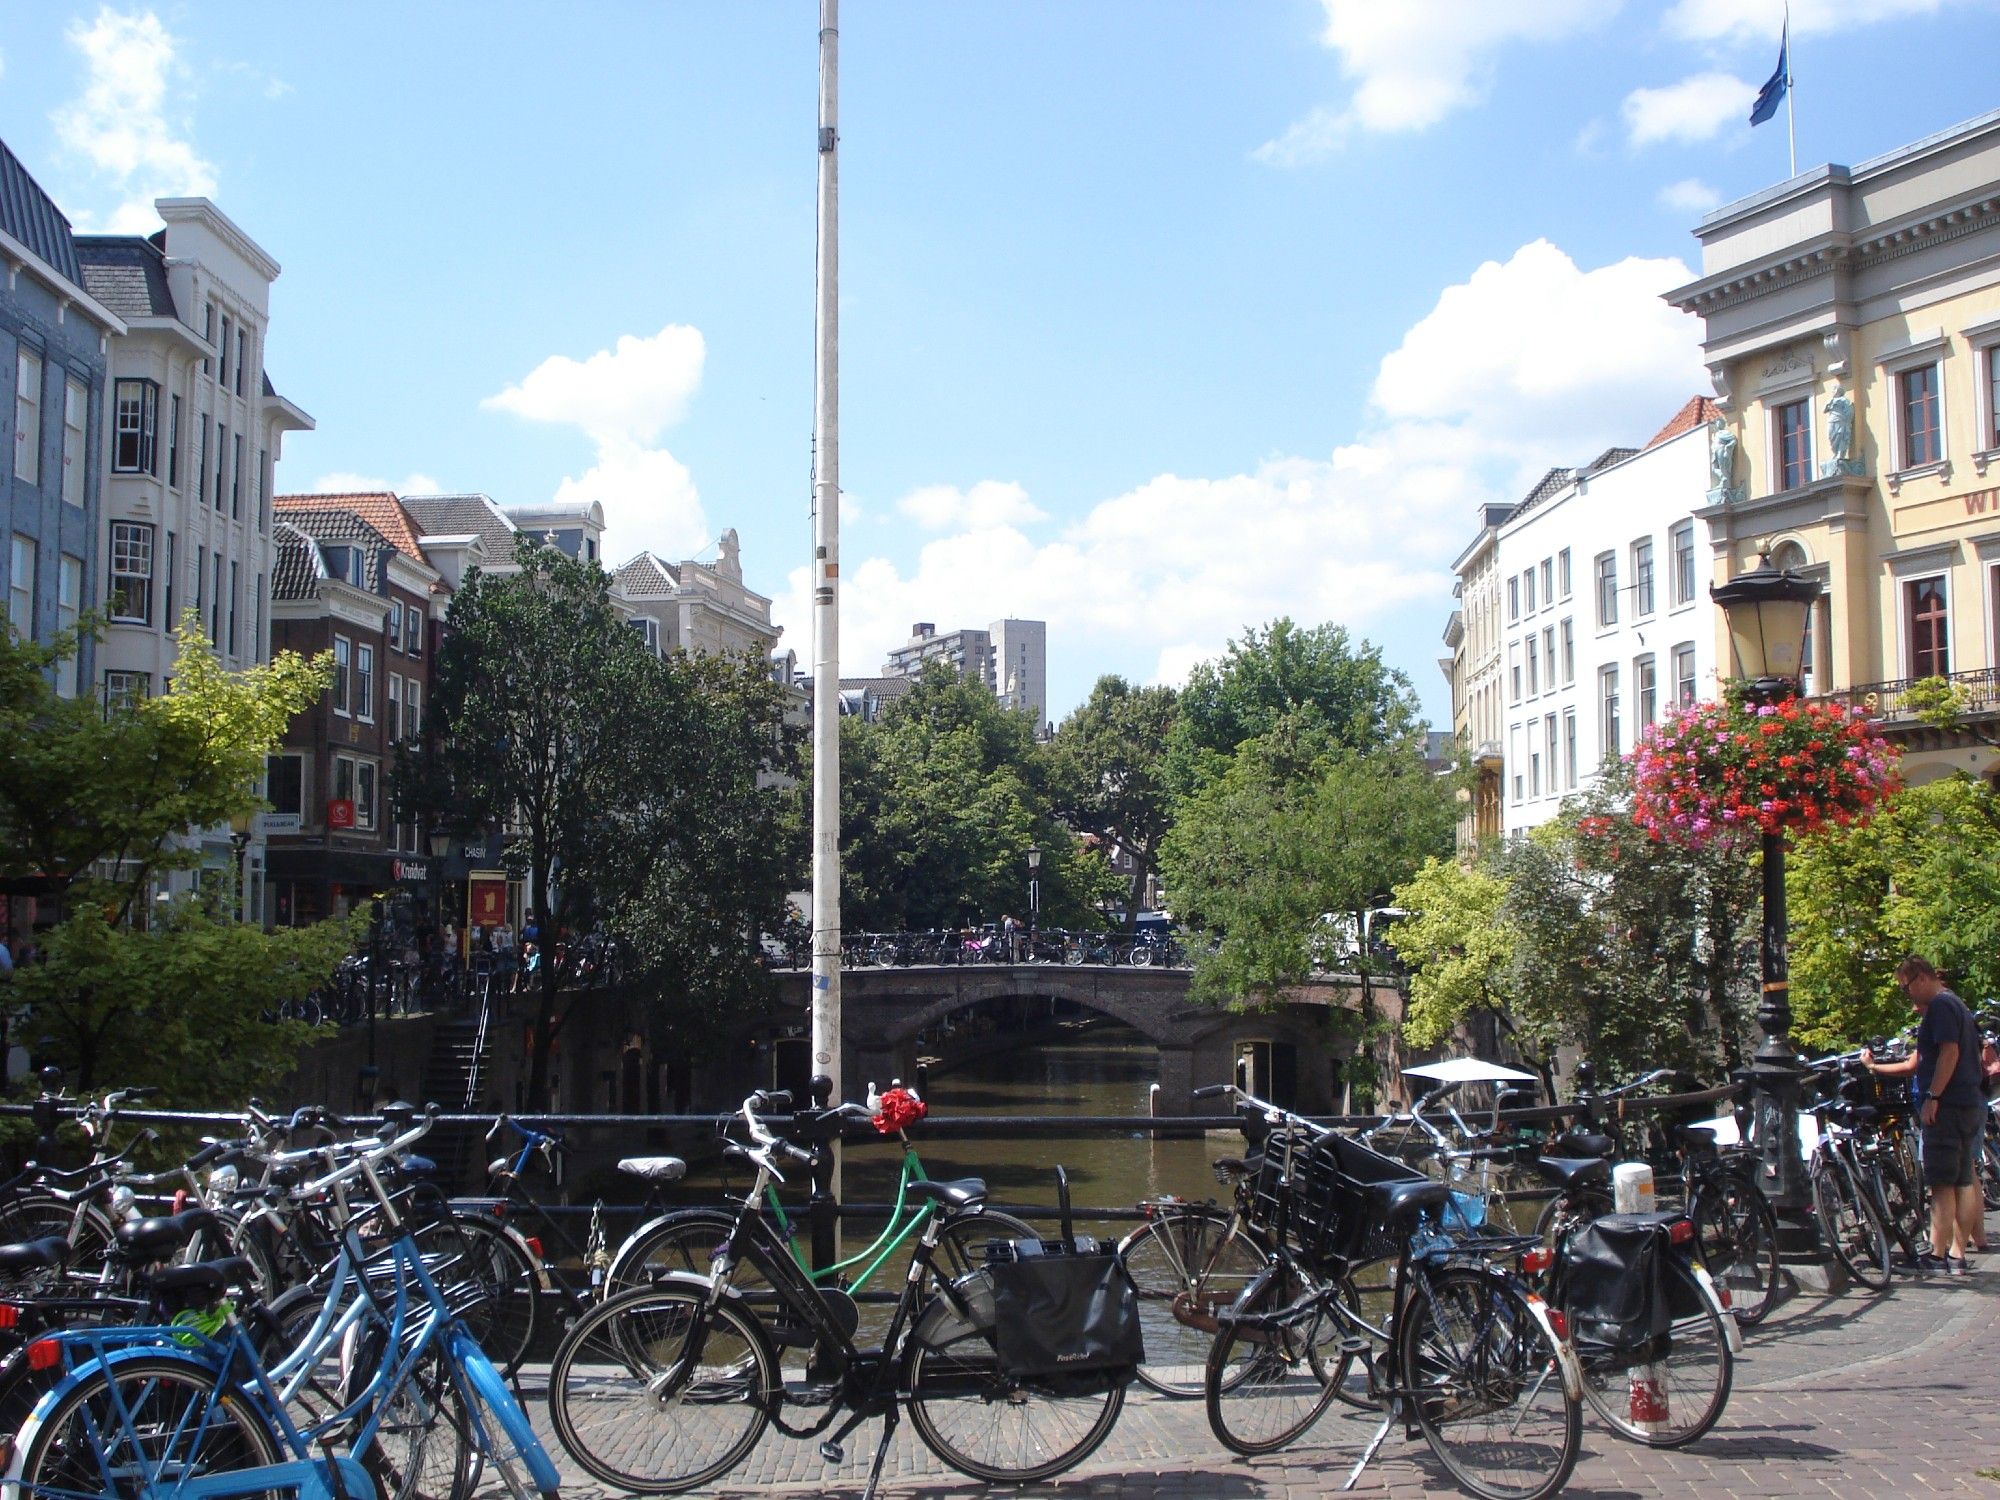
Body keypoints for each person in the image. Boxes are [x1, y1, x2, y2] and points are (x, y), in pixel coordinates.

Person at [1863, 956, 1987, 1272]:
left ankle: (1937, 1255)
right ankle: (1958, 1256)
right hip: (1968, 1101)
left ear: (1920, 978)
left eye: (1906, 989)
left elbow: (1950, 1052)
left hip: (1948, 1106)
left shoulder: (1941, 1007)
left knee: (1942, 1183)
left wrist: (1933, 1095)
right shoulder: (1956, 1003)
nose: (1908, 996)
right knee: (1962, 1180)